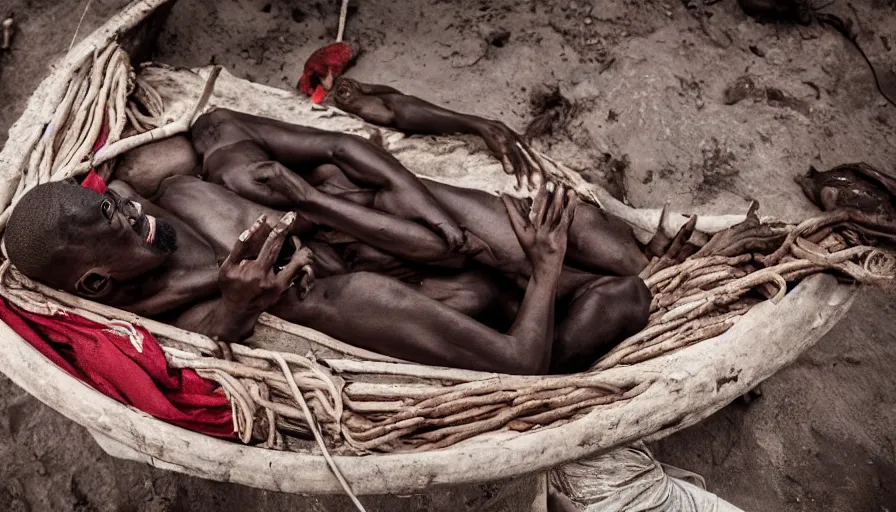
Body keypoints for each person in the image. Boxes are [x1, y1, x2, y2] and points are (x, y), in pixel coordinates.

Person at [4, 94, 650, 373]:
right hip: (361, 291)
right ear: (94, 278)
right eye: (111, 221)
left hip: (374, 239)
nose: (122, 207)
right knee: (617, 298)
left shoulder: (183, 177)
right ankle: (543, 286)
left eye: (112, 201)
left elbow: (338, 152)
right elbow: (519, 365)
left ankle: (547, 276)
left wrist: (316, 203)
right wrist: (539, 271)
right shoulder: (157, 313)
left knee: (609, 249)